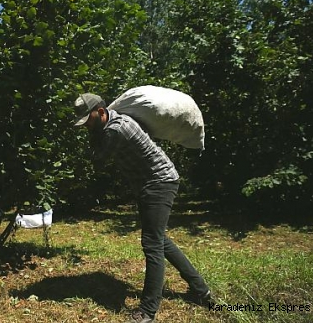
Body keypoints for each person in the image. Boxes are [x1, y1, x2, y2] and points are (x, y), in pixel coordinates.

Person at [73, 93, 212, 323]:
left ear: (100, 112)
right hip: (153, 182)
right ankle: (201, 291)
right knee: (160, 240)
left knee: (152, 243)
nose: (86, 126)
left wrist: (93, 139)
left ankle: (148, 311)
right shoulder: (112, 122)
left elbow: (98, 159)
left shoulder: (116, 130)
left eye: (88, 120)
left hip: (158, 182)